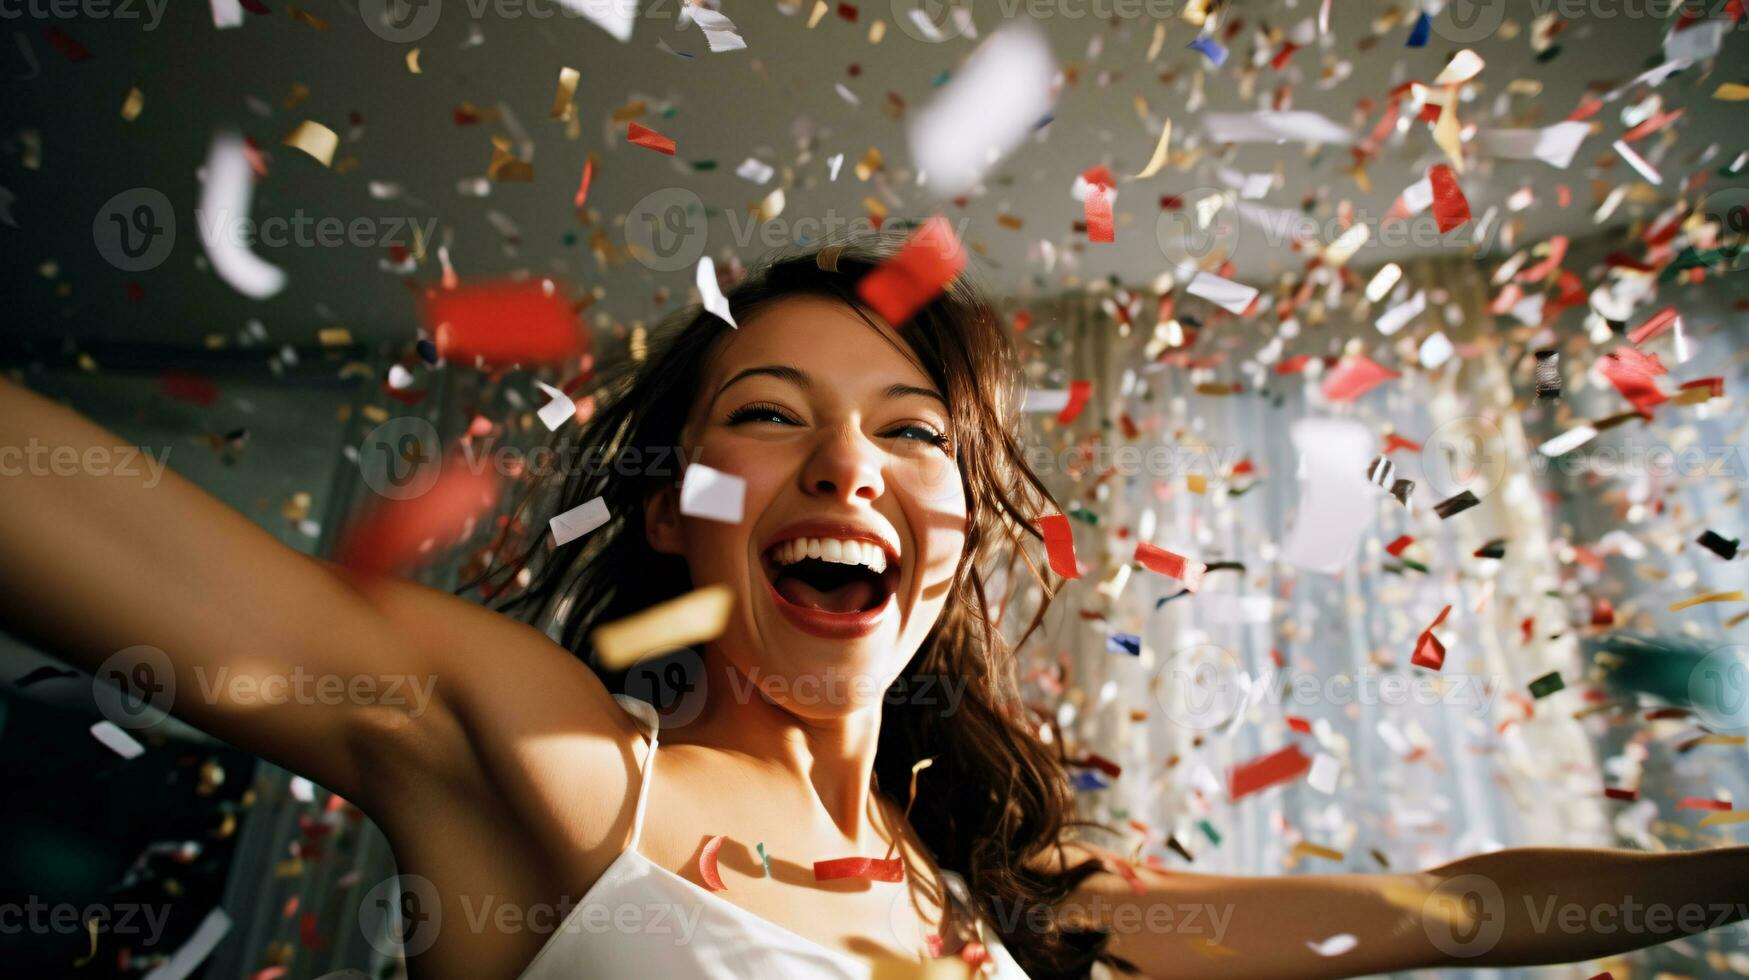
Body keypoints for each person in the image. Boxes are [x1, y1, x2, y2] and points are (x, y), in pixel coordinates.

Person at [1, 237, 1743, 980]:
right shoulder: (557, 769)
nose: (846, 464)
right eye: (766, 418)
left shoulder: (1024, 904)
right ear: (682, 507)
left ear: (958, 537)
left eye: (908, 434)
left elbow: (1440, 908)